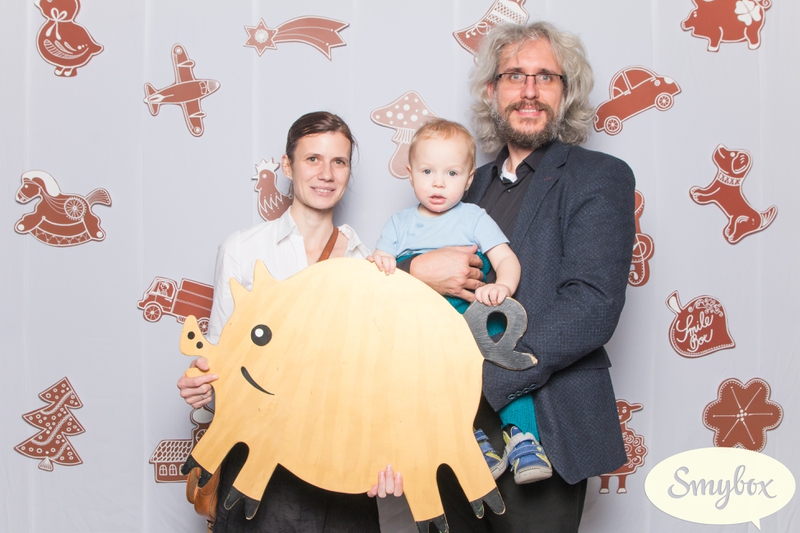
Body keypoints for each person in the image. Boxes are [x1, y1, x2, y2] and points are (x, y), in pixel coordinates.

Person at [402, 21, 636, 532]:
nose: (529, 91)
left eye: (545, 77)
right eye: (514, 76)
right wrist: (413, 268)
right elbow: (401, 263)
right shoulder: (462, 185)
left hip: (543, 427)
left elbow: (592, 305)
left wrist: (484, 378)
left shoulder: (599, 177)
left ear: (566, 92)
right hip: (447, 428)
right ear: (492, 90)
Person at [177, 111, 402, 533]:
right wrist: (202, 387)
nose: (326, 173)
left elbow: (376, 379)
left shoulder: (367, 263)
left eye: (339, 161)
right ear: (287, 165)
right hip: (260, 463)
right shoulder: (243, 250)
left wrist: (389, 452)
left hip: (341, 461)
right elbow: (221, 364)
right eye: (313, 159)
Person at [368, 118, 553, 485]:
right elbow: (377, 275)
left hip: (473, 313)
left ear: (468, 180)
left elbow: (506, 258)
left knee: (506, 359)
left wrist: (502, 286)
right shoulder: (399, 225)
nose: (438, 182)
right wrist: (382, 261)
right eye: (427, 171)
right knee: (431, 382)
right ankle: (470, 441)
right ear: (410, 173)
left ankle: (522, 437)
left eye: (451, 173)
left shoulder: (473, 217)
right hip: (421, 326)